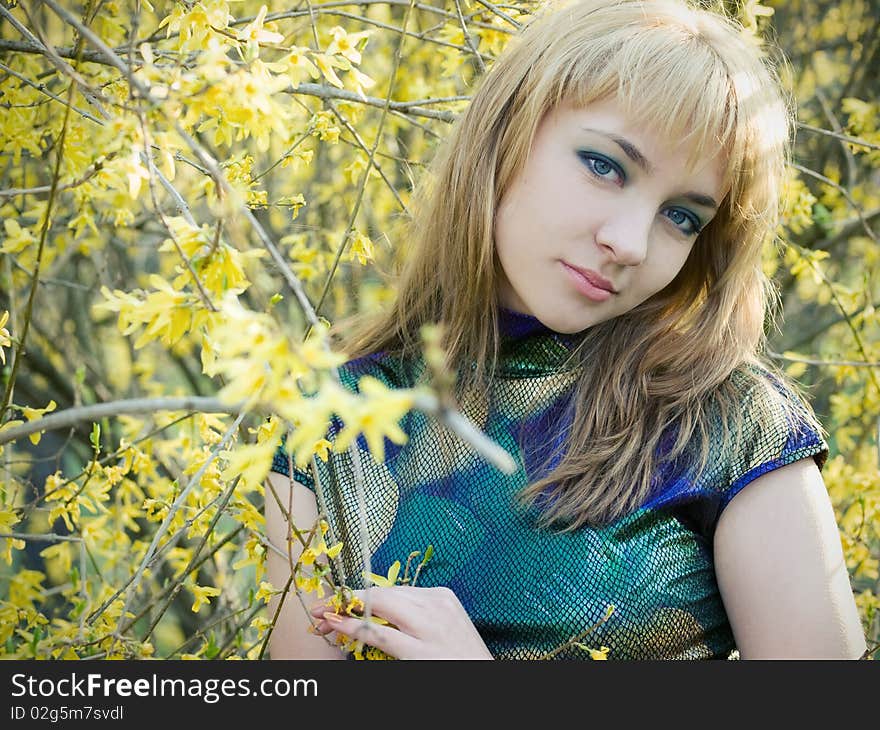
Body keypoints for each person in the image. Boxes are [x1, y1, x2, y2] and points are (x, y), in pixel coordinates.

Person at [264, 0, 868, 659]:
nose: (631, 243)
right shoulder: (335, 415)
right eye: (605, 166)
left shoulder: (729, 423)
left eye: (682, 217)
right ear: (508, 130)